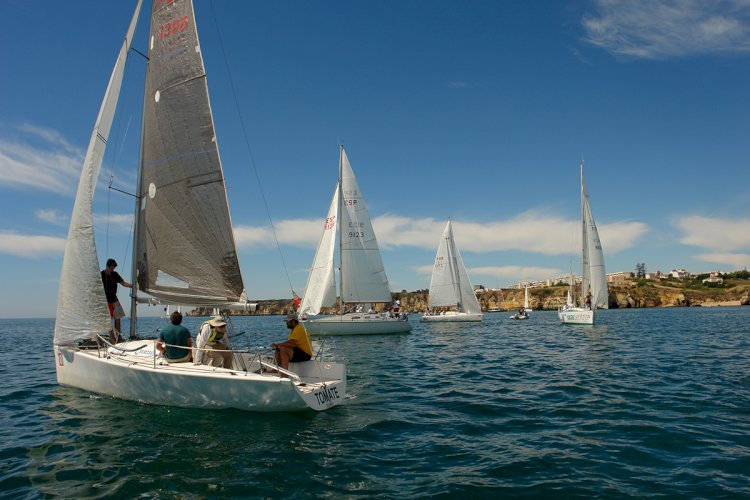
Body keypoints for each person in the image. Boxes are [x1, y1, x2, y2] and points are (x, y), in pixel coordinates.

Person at [101, 258, 132, 343]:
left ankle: (119, 337)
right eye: (112, 267)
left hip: (114, 299)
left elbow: (123, 283)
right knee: (109, 320)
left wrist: (132, 286)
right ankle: (112, 338)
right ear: (107, 265)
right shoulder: (101, 274)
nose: (113, 269)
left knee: (118, 318)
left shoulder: (115, 274)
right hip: (106, 301)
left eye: (114, 267)